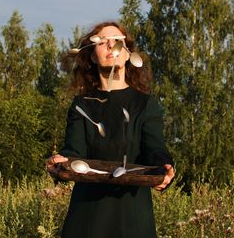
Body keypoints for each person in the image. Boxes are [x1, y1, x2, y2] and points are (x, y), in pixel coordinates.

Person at [46, 21, 175, 238]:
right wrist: (60, 164)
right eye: (103, 42)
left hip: (132, 216)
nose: (110, 45)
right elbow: (73, 152)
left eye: (117, 41)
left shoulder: (145, 104)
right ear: (92, 56)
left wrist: (165, 167)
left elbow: (155, 149)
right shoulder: (82, 105)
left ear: (127, 54)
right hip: (87, 217)